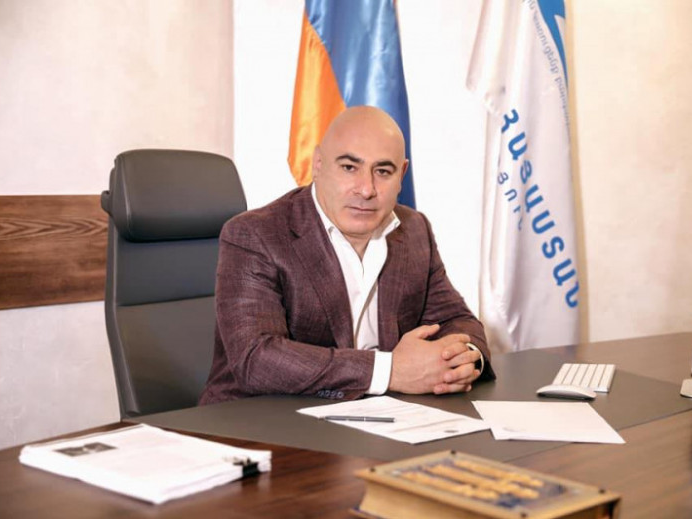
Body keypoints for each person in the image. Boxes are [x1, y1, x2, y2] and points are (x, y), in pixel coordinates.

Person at [199, 106, 493, 404]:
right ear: (318, 164)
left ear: (402, 175)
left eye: (383, 171)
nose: (366, 189)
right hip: (256, 419)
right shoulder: (256, 234)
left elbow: (457, 320)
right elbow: (256, 359)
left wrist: (460, 362)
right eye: (349, 167)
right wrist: (390, 371)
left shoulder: (414, 229)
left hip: (379, 417)